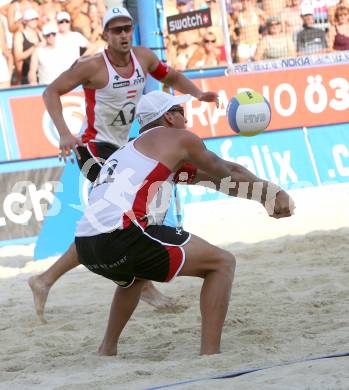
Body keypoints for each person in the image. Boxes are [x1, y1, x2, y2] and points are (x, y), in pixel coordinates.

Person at [28, 6, 219, 322]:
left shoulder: (143, 58)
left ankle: (45, 280)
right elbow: (51, 92)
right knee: (116, 216)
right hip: (92, 147)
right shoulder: (92, 66)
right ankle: (134, 286)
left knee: (127, 216)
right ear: (105, 36)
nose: (123, 35)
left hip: (120, 146)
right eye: (116, 30)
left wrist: (198, 93)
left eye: (127, 28)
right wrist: (63, 133)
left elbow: (169, 75)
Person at [74, 90, 294, 356]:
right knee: (222, 263)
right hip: (122, 235)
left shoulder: (136, 149)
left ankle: (107, 349)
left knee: (134, 277)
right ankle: (210, 355)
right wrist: (274, 193)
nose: (186, 119)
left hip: (86, 246)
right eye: (181, 112)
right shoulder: (177, 138)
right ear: (169, 116)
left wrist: (262, 197)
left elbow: (217, 182)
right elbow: (227, 171)